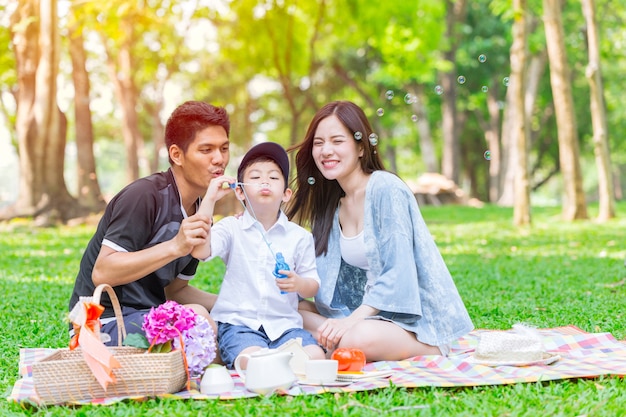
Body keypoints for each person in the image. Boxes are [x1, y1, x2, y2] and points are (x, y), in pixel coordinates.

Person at [286, 100, 474, 361]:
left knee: (355, 339)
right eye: (319, 143)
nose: (326, 151)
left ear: (361, 147)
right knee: (287, 308)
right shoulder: (331, 205)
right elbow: (322, 277)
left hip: (406, 320)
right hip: (362, 314)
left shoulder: (386, 189)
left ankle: (431, 349)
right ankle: (334, 336)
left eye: (337, 141)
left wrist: (350, 322)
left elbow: (399, 272)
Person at [69, 100, 230, 346]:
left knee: (232, 323)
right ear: (177, 154)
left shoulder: (199, 209)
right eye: (206, 150)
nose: (219, 159)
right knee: (198, 323)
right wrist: (176, 246)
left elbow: (176, 292)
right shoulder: (144, 196)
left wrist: (241, 305)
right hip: (102, 324)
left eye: (224, 148)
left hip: (149, 318)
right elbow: (103, 272)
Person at [192, 142, 326, 369]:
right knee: (254, 359)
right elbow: (200, 250)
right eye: (255, 177)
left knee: (316, 357)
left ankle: (274, 364)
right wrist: (210, 199)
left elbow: (312, 285)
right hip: (239, 325)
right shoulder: (231, 228)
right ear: (240, 191)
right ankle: (271, 363)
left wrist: (298, 283)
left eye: (274, 178)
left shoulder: (299, 237)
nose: (265, 181)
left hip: (284, 326)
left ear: (286, 194)